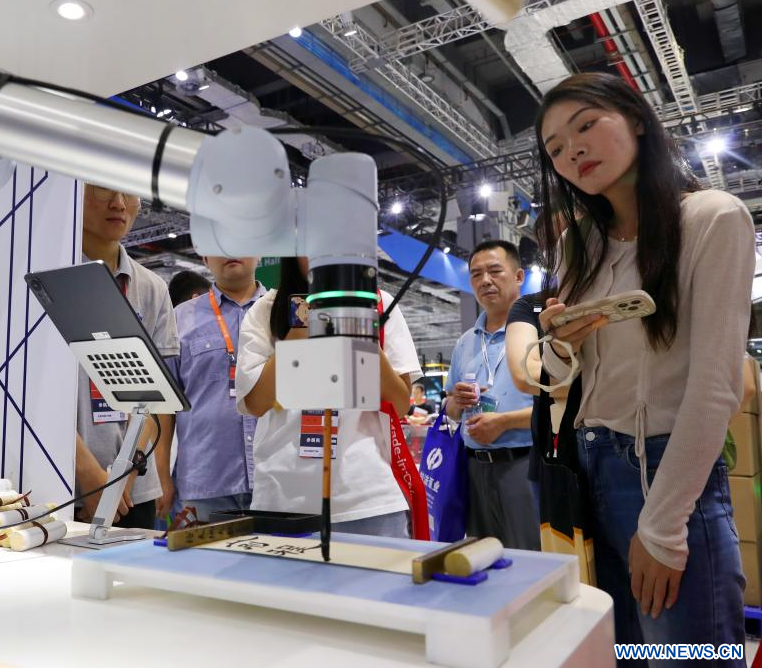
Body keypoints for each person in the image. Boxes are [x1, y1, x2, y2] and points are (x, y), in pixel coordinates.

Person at [535, 72, 752, 658]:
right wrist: (562, 343)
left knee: (684, 653)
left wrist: (661, 527)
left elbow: (715, 387)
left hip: (661, 470)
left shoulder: (711, 217)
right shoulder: (580, 244)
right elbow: (558, 374)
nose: (572, 150)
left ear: (635, 118)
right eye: (555, 147)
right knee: (623, 652)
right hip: (588, 468)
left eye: (586, 125)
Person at [236, 257, 421, 537]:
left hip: (368, 496)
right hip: (283, 498)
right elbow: (255, 404)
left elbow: (401, 404)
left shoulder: (378, 303)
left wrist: (362, 332)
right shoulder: (266, 309)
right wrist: (300, 329)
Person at [74, 184, 178, 529]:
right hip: (63, 481)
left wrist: (127, 471)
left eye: (129, 193)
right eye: (104, 191)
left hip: (135, 490)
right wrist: (86, 471)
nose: (118, 204)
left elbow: (155, 397)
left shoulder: (152, 288)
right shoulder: (50, 276)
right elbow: (28, 390)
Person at [444, 240, 538, 550]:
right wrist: (456, 402)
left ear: (519, 276)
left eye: (495, 271)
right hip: (473, 469)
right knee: (482, 557)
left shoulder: (540, 332)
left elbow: (563, 407)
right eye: (476, 274)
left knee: (531, 558)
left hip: (524, 465)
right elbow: (450, 410)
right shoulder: (465, 343)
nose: (485, 280)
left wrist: (505, 422)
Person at [168, 256, 265, 521]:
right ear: (204, 257)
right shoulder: (179, 319)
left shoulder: (285, 312)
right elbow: (164, 406)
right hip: (205, 482)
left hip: (277, 479)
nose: (229, 250)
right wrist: (161, 475)